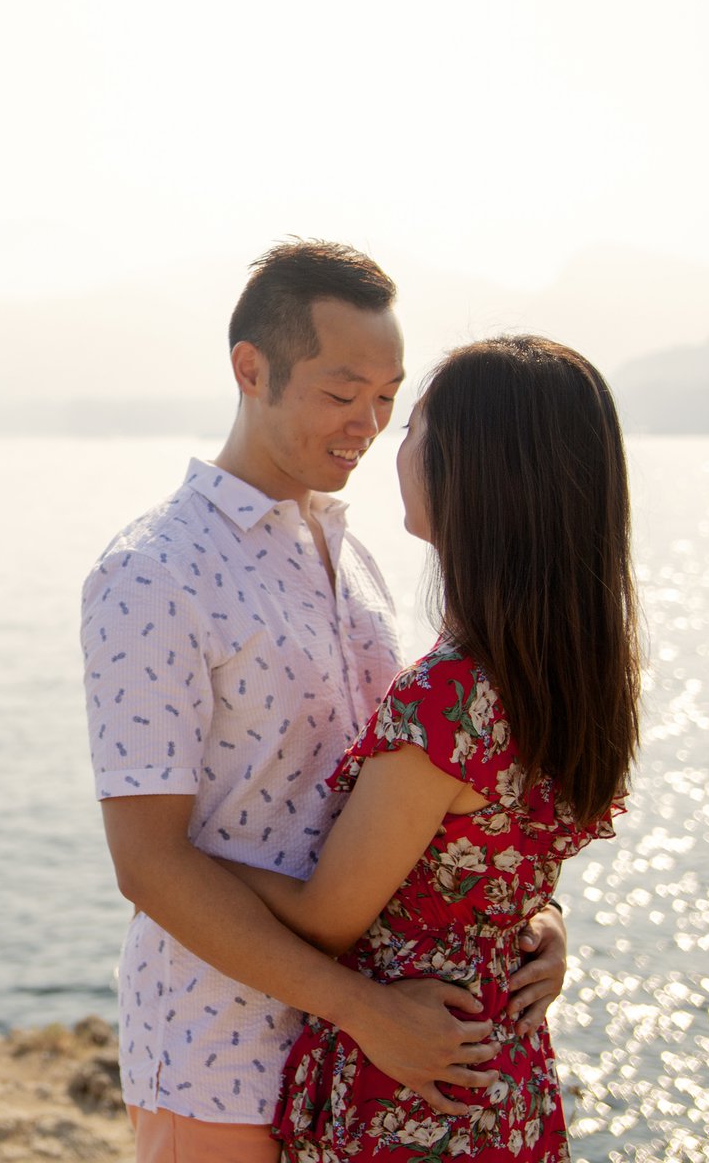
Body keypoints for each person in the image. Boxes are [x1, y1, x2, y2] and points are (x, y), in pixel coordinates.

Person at [81, 242, 571, 1163]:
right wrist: (364, 1008)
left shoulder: (357, 563)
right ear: (250, 369)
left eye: (387, 399)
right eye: (342, 394)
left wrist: (531, 916)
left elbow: (422, 806)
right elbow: (147, 864)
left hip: (364, 1068)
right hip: (221, 1054)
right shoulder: (153, 573)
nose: (369, 425)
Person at [216, 335, 640, 1160]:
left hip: (418, 1082)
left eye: (413, 425)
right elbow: (500, 859)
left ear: (473, 471)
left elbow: (325, 919)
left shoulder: (449, 700)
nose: (390, 444)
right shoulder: (571, 672)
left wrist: (180, 863)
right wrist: (543, 917)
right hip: (505, 1072)